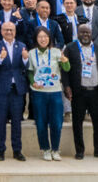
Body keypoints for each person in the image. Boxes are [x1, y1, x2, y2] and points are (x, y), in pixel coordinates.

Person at [63, 24, 98, 160]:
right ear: (77, 34)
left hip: (96, 91)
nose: (85, 35)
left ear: (91, 34)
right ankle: (80, 151)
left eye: (87, 33)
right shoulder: (70, 48)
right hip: (79, 91)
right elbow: (65, 70)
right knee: (77, 123)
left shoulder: (97, 47)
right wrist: (66, 87)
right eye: (82, 32)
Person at [0, 21, 28, 162]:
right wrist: (1, 58)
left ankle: (17, 150)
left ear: (15, 31)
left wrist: (25, 59)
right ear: (1, 31)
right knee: (0, 121)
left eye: (11, 30)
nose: (9, 32)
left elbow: (26, 66)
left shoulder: (22, 46)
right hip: (1, 89)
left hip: (17, 89)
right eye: (6, 30)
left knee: (16, 121)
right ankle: (0, 150)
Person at [26, 28, 65, 161]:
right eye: (40, 37)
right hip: (39, 92)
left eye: (45, 37)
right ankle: (45, 148)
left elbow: (66, 69)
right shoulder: (31, 53)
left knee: (57, 122)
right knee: (41, 122)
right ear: (36, 39)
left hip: (55, 91)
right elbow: (30, 72)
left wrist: (65, 61)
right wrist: (33, 82)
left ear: (49, 38)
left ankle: (55, 148)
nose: (43, 39)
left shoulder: (56, 52)